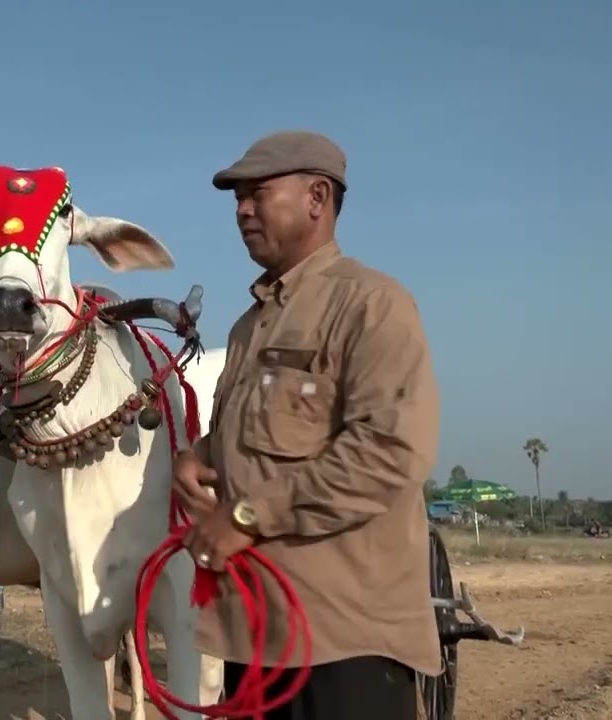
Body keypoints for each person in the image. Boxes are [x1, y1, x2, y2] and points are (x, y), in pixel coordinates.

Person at [174, 131, 440, 719]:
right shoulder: (249, 326)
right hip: (256, 638)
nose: (242, 210)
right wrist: (200, 455)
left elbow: (388, 453)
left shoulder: (372, 304)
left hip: (343, 646)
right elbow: (256, 437)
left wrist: (245, 516)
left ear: (317, 197)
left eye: (257, 193)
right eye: (237, 198)